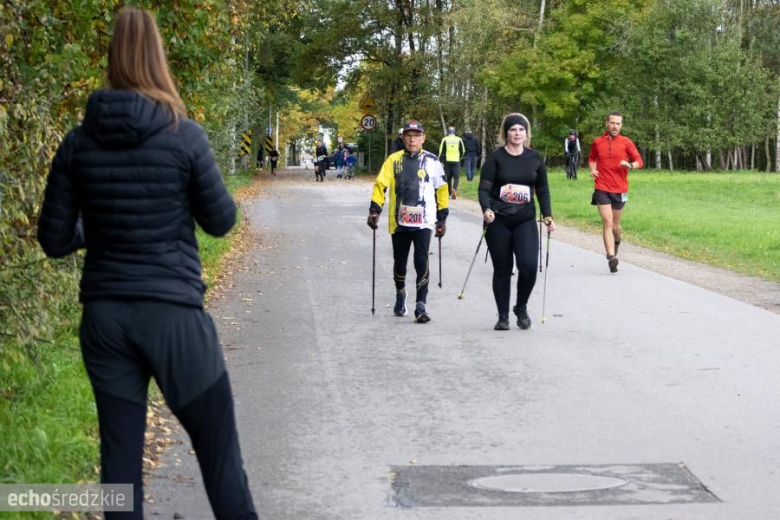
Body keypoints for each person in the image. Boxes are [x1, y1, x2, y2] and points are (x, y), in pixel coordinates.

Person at [36, 7, 257, 520]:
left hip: (106, 321)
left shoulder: (78, 142)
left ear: (112, 59)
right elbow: (221, 221)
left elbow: (53, 238)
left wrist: (101, 228)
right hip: (172, 315)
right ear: (158, 58)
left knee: (119, 475)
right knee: (220, 459)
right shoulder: (184, 135)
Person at [366, 120, 449, 323]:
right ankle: (400, 292)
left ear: (423, 138)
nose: (412, 140)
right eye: (409, 136)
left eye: (417, 136)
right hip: (399, 221)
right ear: (403, 138)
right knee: (400, 263)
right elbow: (380, 185)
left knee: (421, 260)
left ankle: (421, 305)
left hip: (424, 220)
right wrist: (375, 210)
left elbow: (442, 189)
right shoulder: (393, 160)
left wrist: (442, 217)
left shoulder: (432, 161)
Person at [479, 113, 555, 331]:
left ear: (526, 133)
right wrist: (486, 209)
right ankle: (503, 316)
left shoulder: (535, 159)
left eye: (521, 130)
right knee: (502, 269)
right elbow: (484, 189)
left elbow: (543, 190)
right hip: (498, 220)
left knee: (529, 267)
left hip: (525, 219)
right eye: (513, 129)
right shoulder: (495, 158)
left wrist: (548, 215)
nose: (517, 133)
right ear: (506, 133)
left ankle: (520, 307)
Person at [588, 111, 643, 273]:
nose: (615, 126)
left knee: (615, 226)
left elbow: (639, 161)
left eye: (618, 123)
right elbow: (592, 158)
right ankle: (611, 257)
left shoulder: (626, 142)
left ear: (621, 125)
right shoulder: (597, 142)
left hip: (620, 189)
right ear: (607, 123)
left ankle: (617, 240)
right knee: (608, 222)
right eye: (612, 123)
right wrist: (593, 170)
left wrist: (630, 165)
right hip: (601, 187)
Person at [438, 126, 465, 199]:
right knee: (456, 177)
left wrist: (441, 161)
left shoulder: (445, 139)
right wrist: (459, 158)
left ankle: (450, 193)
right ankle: (454, 189)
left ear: (448, 132)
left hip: (447, 161)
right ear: (454, 132)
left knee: (448, 178)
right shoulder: (459, 139)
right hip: (456, 160)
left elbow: (441, 151)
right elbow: (463, 150)